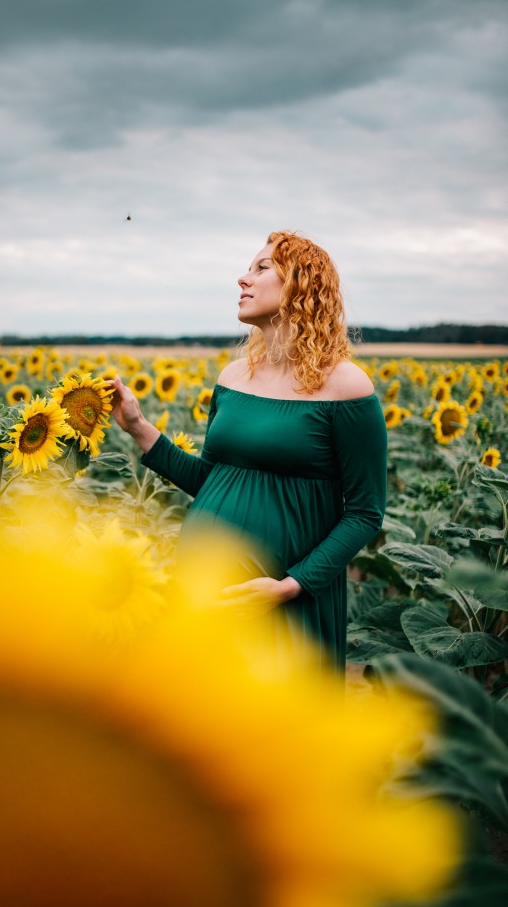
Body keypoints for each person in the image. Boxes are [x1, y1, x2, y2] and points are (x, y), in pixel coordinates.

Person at [111, 231, 388, 672]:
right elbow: (214, 482)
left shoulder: (346, 386)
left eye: (261, 268)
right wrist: (139, 428)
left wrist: (292, 585)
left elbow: (364, 512)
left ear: (300, 284)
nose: (243, 279)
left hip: (285, 601)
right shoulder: (233, 377)